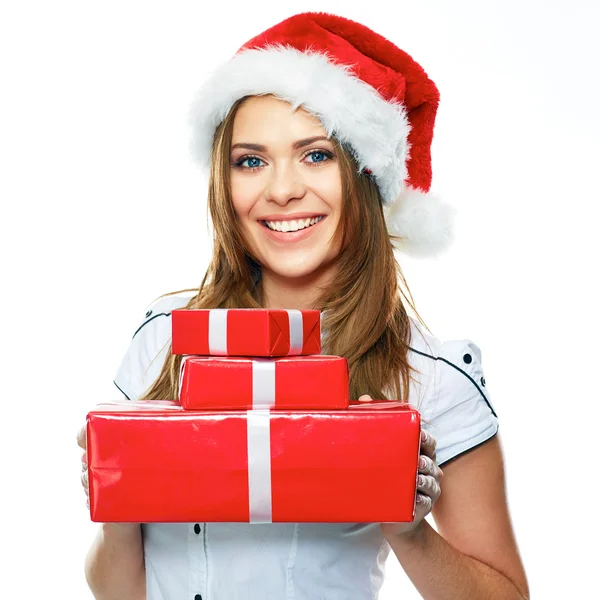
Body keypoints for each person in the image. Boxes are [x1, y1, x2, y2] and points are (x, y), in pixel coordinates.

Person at [78, 11, 529, 600]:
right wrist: (115, 497)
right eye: (251, 160)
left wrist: (407, 526)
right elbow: (117, 588)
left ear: (365, 176)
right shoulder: (167, 338)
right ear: (225, 181)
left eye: (316, 155)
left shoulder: (431, 378)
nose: (282, 189)